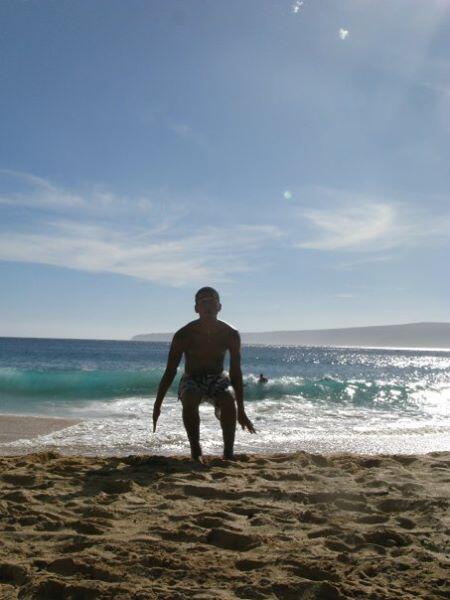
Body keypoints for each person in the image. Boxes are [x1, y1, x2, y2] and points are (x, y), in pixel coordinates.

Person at [152, 287, 256, 461]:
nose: (208, 306)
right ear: (196, 308)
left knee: (228, 399)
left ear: (219, 307)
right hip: (192, 378)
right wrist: (157, 405)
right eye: (203, 302)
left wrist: (242, 410)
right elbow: (170, 370)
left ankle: (228, 453)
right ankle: (196, 451)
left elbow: (235, 372)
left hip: (218, 377)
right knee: (190, 396)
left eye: (212, 302)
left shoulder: (230, 334)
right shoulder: (184, 335)